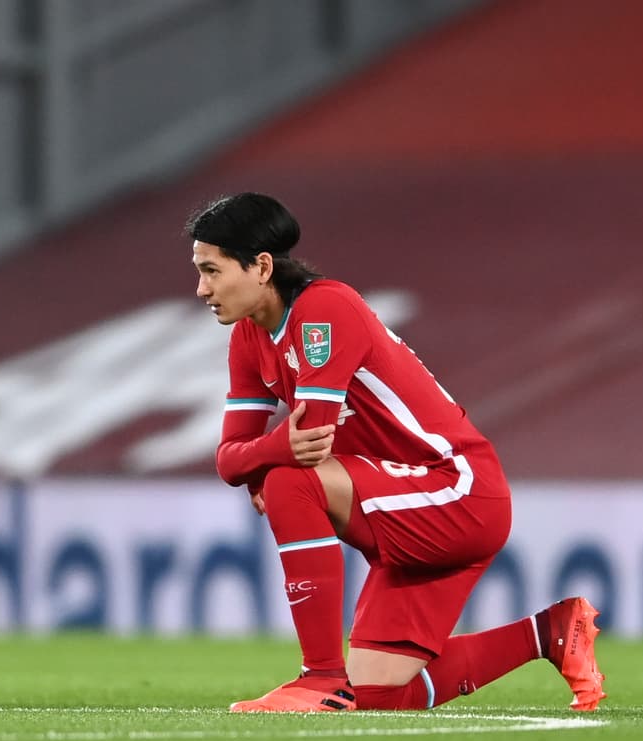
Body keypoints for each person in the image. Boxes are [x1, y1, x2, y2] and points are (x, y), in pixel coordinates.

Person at [188, 192, 606, 712]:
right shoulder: (249, 340)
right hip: (400, 496)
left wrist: (265, 458)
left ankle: (319, 677)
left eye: (211, 270)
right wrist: (270, 452)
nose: (202, 289)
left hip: (456, 489)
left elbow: (311, 439)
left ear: (262, 266)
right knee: (379, 695)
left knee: (289, 483)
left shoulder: (324, 308)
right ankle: (550, 633)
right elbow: (228, 459)